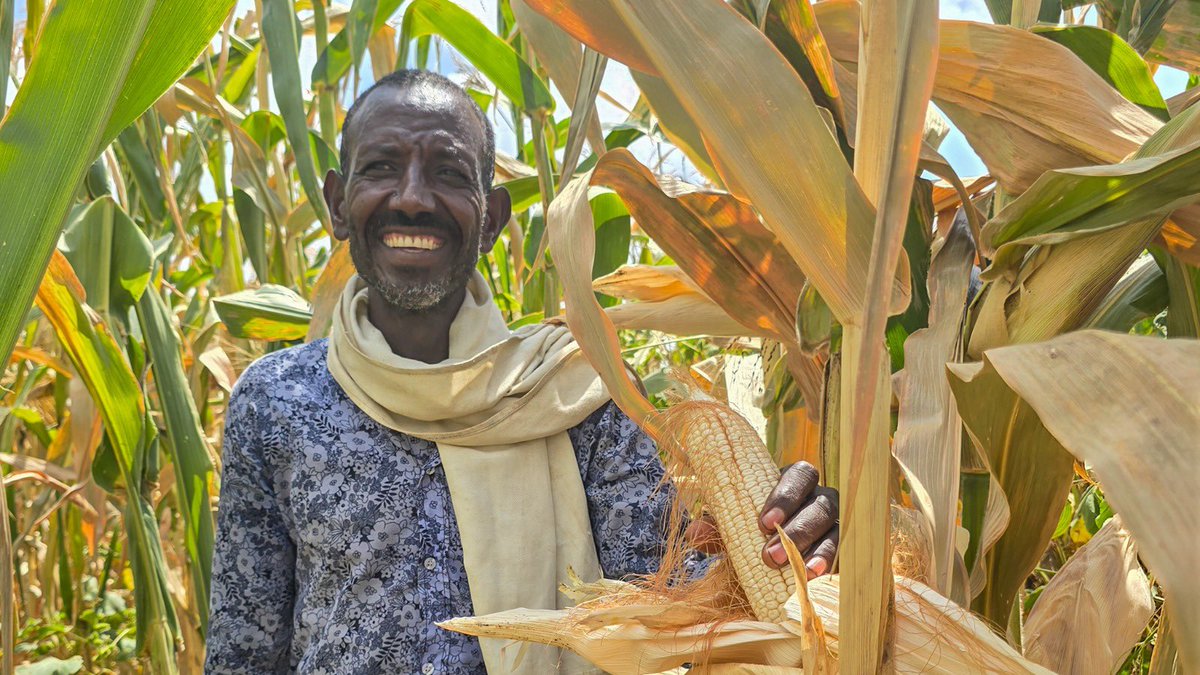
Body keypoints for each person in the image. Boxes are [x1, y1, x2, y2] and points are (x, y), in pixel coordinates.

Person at [204, 69, 839, 674]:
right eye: (381, 169)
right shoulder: (276, 401)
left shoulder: (583, 392)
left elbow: (675, 611)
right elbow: (246, 649)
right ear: (339, 205)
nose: (413, 198)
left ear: (493, 220)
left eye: (449, 173)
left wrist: (792, 551)